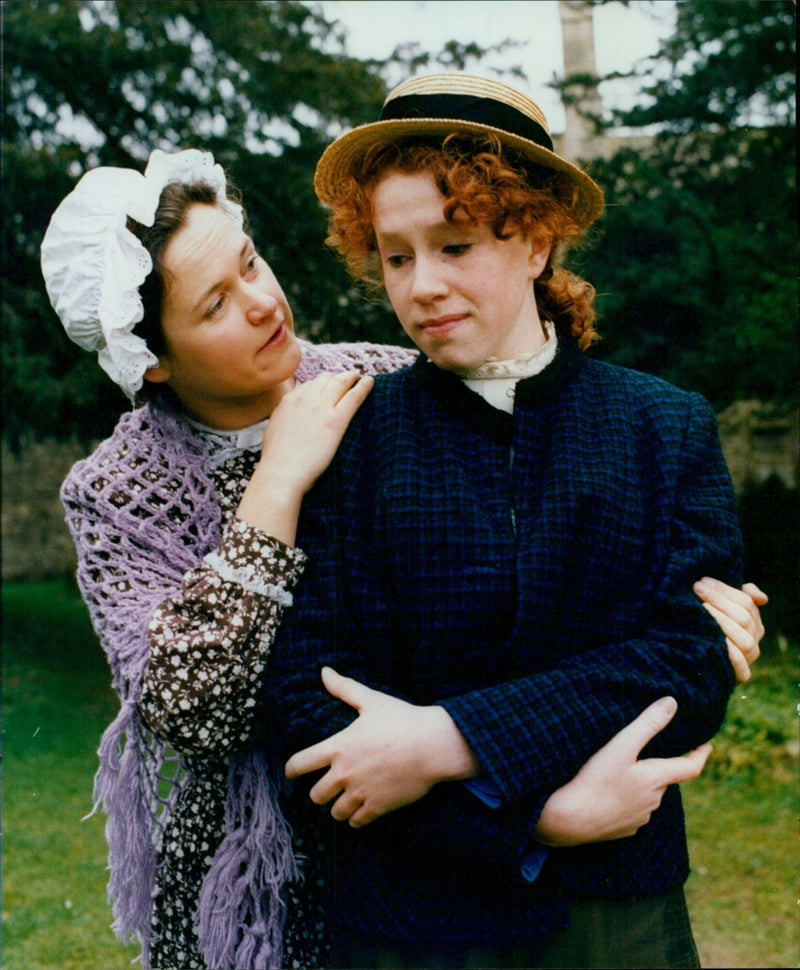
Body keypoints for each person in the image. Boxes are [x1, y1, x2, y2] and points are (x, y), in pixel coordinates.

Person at [39, 147, 765, 970]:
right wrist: (276, 484)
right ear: (154, 357)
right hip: (287, 875)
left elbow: (666, 637)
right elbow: (231, 709)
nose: (262, 302)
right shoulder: (123, 488)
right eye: (214, 305)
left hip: (551, 876)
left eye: (250, 263)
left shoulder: (377, 386)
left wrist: (449, 740)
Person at [265, 73, 763, 969]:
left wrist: (441, 741)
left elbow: (690, 663)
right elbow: (308, 713)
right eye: (395, 255)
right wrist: (536, 821)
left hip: (615, 915)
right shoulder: (349, 436)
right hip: (408, 921)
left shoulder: (664, 425)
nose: (422, 285)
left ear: (534, 240)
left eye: (454, 246)